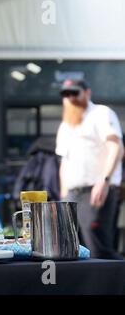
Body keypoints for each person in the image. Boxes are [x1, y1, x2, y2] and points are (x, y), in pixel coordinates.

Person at [56, 79, 124, 259]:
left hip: (95, 191)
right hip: (72, 193)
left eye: (74, 92)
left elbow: (116, 148)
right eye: (65, 94)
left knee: (98, 249)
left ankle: (115, 284)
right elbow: (64, 162)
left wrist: (104, 181)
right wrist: (64, 197)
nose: (70, 97)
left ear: (87, 93)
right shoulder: (66, 125)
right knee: (70, 249)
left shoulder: (101, 113)